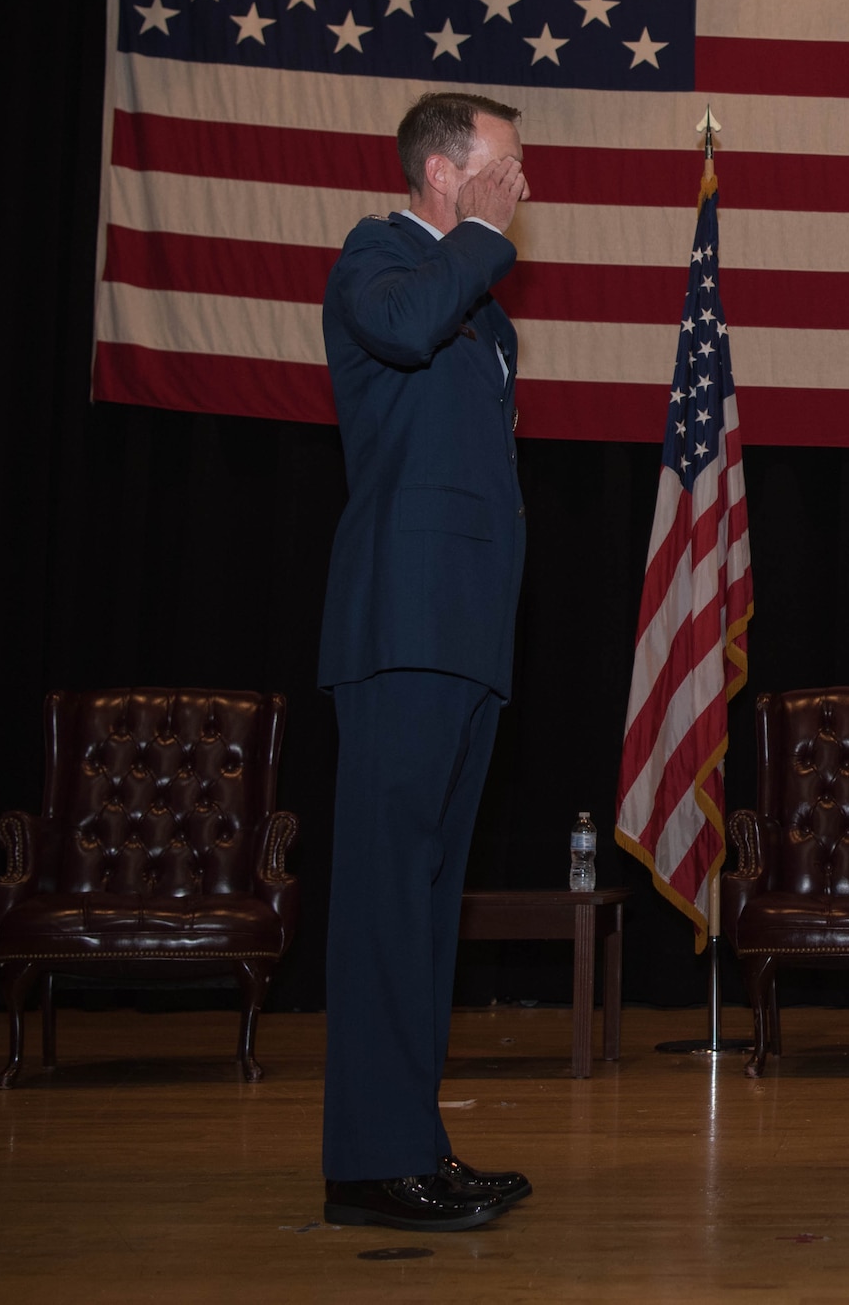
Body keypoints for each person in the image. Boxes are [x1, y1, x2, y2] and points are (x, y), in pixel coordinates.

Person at [317, 93, 534, 1231]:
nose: (524, 189)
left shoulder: (485, 314)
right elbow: (401, 332)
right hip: (400, 630)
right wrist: (481, 243)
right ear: (445, 174)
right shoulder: (378, 259)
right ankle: (365, 1165)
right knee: (382, 903)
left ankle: (413, 1145)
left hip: (464, 636)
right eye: (507, 167)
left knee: (426, 905)